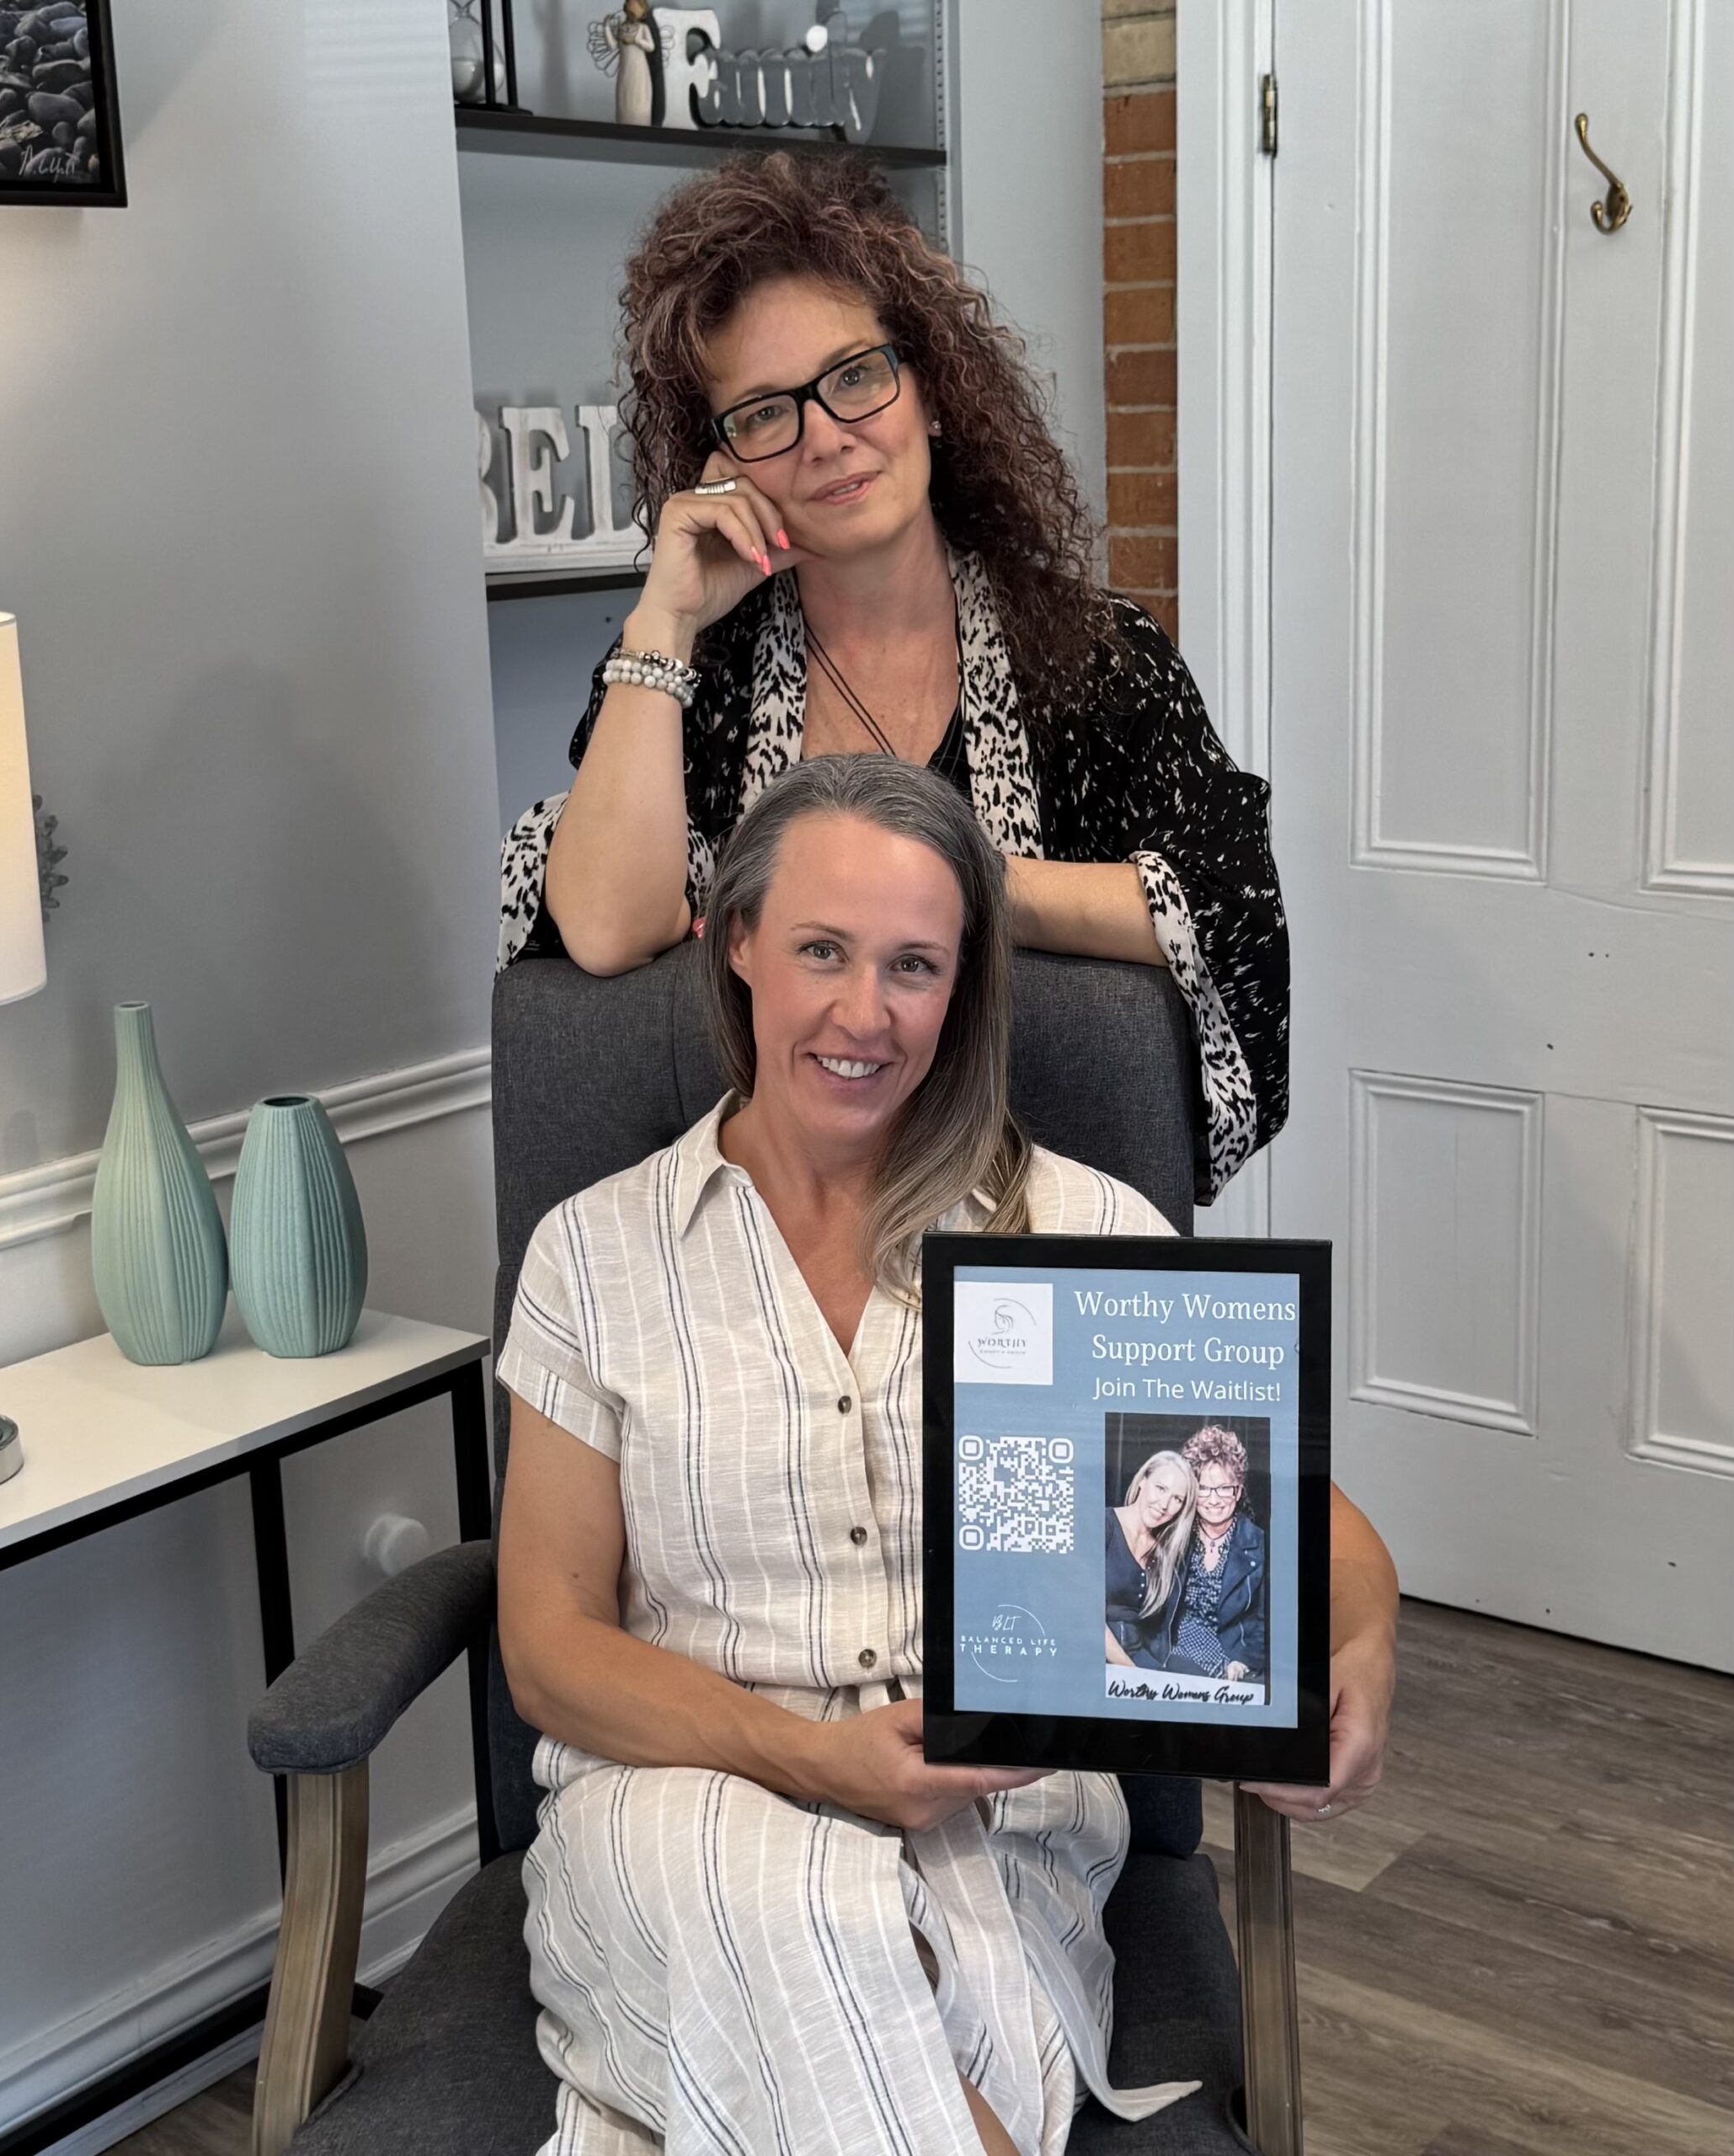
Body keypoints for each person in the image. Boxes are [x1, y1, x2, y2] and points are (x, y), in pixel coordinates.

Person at [496, 757, 1397, 2155]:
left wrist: (1362, 1651)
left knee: (835, 1965)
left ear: (962, 986)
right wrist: (809, 1760)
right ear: (737, 943)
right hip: (672, 1797)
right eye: (822, 951)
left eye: (912, 966)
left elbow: (1303, 1527)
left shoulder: (1077, 1237)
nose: (865, 1013)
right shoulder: (596, 1254)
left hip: (993, 1830)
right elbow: (551, 1649)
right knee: (775, 1895)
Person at [498, 151, 1288, 1204]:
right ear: (722, 462)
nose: (826, 438)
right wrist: (667, 617)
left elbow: (1227, 911)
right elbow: (603, 926)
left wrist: (953, 887)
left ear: (933, 393)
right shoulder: (701, 679)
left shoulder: (1095, 656)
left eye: (856, 376)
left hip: (1028, 1227)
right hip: (774, 1226)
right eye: (764, 413)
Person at [1176, 1424, 1267, 1685]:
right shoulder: (1174, 1535)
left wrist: (1244, 1660)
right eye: (1204, 1488)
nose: (1214, 1499)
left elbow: (1268, 1621)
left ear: (1238, 1491)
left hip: (1233, 1661)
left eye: (1225, 1488)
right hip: (1174, 1652)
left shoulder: (1260, 1544)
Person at [1102, 1449, 1200, 1672]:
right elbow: (1083, 1616)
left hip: (1138, 1656)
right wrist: (1135, 1674)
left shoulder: (1166, 1552)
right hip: (1096, 1654)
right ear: (1142, 1481)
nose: (1164, 1504)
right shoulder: (1103, 1525)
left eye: (1177, 1499)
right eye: (1161, 1488)